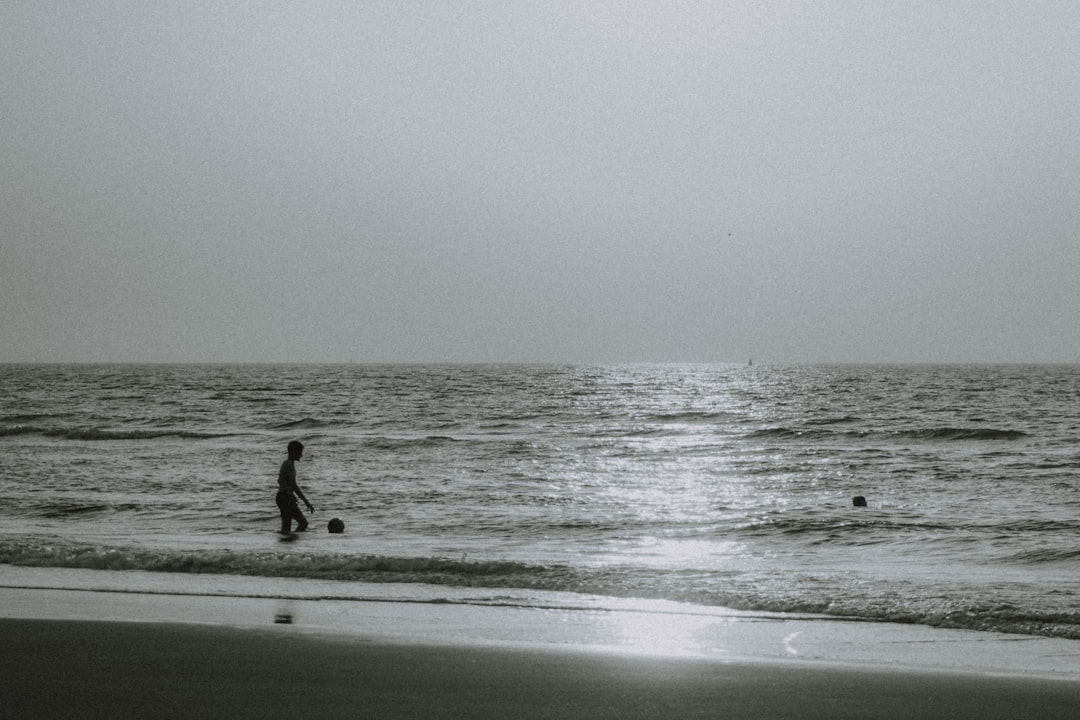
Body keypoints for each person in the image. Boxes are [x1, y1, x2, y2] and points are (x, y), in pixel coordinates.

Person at [276, 440, 314, 534]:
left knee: (286, 527)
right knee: (303, 523)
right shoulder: (288, 464)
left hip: (283, 497)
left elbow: (282, 482)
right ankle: (292, 540)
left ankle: (287, 542)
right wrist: (306, 502)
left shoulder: (288, 464)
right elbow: (293, 486)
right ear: (293, 452)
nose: (301, 455)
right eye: (300, 452)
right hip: (285, 498)